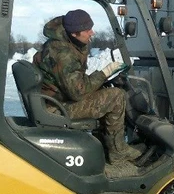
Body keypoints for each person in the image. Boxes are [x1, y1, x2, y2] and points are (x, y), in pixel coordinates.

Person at [34, 9, 142, 164]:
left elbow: (75, 81)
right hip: (57, 107)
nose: (92, 33)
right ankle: (118, 152)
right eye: (87, 30)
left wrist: (101, 80)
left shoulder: (64, 44)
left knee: (103, 91)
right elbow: (78, 92)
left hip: (55, 99)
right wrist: (104, 73)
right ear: (74, 33)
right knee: (116, 96)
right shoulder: (63, 53)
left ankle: (103, 147)